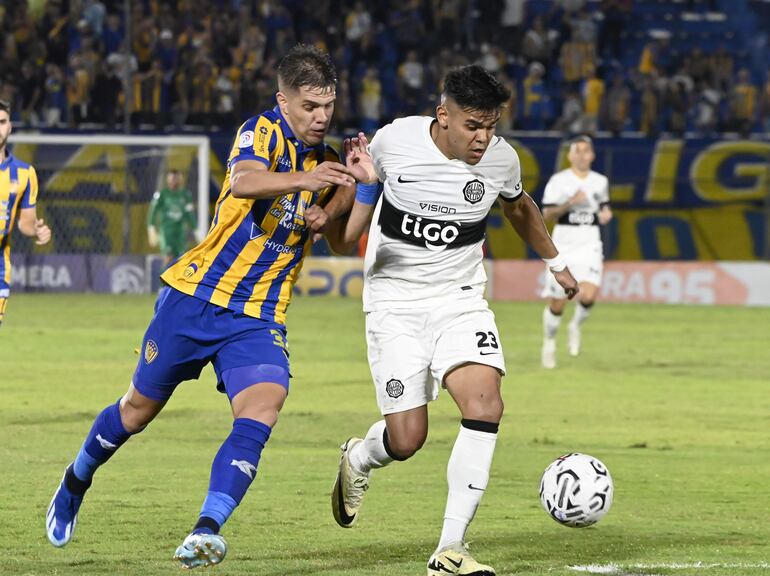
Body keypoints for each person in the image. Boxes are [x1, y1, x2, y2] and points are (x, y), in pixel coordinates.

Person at [46, 44, 356, 569]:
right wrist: (309, 181)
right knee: (135, 412)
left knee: (264, 406)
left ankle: (205, 530)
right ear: (283, 101)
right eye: (309, 106)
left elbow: (344, 242)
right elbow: (245, 181)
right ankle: (76, 479)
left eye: (327, 105)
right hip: (196, 297)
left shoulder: (326, 162)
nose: (321, 116)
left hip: (258, 314)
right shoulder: (261, 131)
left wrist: (357, 185)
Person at [329, 65, 579, 576]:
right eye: (473, 125)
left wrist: (555, 262)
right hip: (394, 304)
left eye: (491, 126)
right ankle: (359, 457)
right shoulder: (394, 142)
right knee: (407, 439)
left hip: (460, 300)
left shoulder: (501, 159)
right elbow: (349, 214)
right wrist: (356, 192)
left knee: (486, 402)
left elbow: (519, 208)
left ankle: (450, 548)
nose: (483, 138)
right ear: (443, 115)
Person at [539, 135, 612, 369]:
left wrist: (606, 214)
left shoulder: (600, 181)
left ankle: (575, 326)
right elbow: (547, 214)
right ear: (570, 156)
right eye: (577, 151)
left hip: (590, 245)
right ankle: (549, 342)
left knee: (588, 296)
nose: (582, 155)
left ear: (592, 155)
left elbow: (604, 207)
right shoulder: (559, 181)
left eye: (585, 151)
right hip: (564, 247)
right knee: (558, 303)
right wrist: (570, 202)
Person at [0, 99, 52, 327]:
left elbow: (26, 222)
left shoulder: (24, 173)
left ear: (10, 127)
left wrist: (36, 230)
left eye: (2, 122)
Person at [147, 168, 196, 269]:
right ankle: (162, 278)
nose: (173, 180)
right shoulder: (162, 194)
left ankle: (175, 278)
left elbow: (189, 214)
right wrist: (151, 227)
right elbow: (153, 211)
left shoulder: (185, 195)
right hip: (166, 232)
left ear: (180, 179)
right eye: (171, 178)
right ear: (167, 179)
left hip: (180, 232)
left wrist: (195, 228)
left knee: (180, 258)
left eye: (176, 178)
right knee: (168, 256)